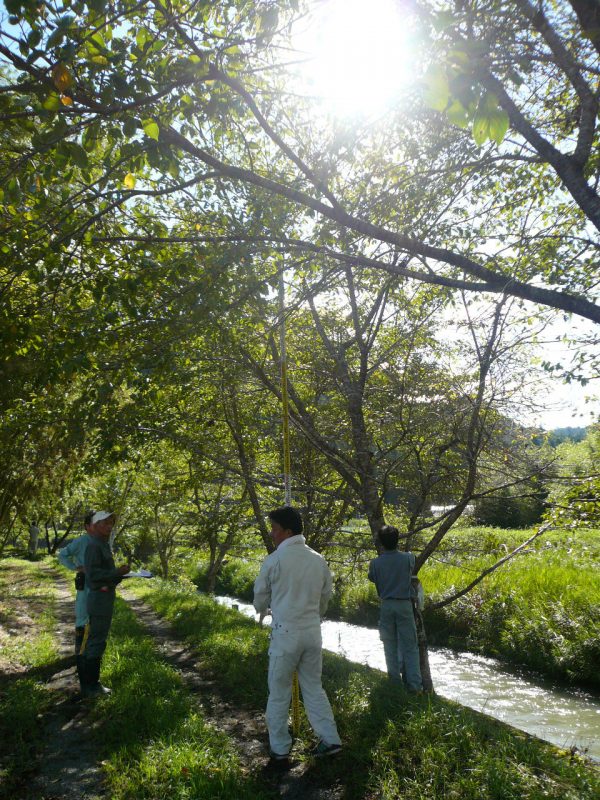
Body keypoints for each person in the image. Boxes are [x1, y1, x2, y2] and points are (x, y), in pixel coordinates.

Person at [253, 506, 342, 760]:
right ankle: (330, 739)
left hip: (285, 634)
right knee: (314, 688)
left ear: (287, 531)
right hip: (313, 633)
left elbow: (260, 597)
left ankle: (280, 748)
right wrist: (316, 614)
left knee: (279, 691)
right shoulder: (318, 558)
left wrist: (265, 608)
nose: (271, 534)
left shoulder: (274, 560)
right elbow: (326, 596)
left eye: (274, 529)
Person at [79, 511, 130, 697]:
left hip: (104, 599)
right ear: (95, 525)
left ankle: (89, 685)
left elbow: (105, 574)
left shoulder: (103, 544)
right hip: (99, 600)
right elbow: (93, 577)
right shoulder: (94, 546)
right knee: (97, 641)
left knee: (96, 639)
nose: (109, 526)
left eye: (111, 523)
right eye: (105, 523)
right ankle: (92, 687)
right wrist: (117, 572)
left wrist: (119, 575)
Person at [368, 524, 422, 691]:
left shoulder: (375, 563)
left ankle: (394, 683)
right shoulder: (408, 558)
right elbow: (413, 565)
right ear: (398, 540)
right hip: (404, 604)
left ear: (381, 543)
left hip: (386, 605)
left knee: (389, 645)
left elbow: (372, 578)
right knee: (410, 647)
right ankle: (415, 686)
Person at [57, 510, 94, 689]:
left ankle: (89, 663)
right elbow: (62, 554)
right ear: (87, 526)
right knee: (83, 623)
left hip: (100, 592)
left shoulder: (103, 542)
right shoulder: (81, 541)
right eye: (95, 523)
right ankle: (82, 668)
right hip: (85, 589)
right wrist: (75, 567)